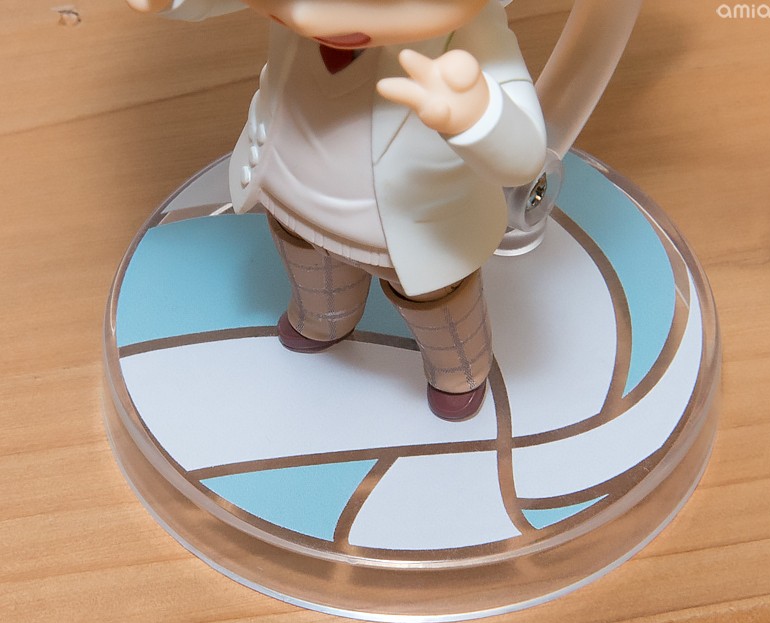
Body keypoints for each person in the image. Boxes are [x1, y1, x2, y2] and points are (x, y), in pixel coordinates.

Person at [126, 0, 547, 420]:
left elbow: (525, 153)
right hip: (293, 186)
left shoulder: (471, 39)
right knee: (308, 261)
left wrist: (478, 117)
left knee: (437, 300)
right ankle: (324, 318)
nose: (307, 16)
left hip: (412, 224)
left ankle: (458, 370)